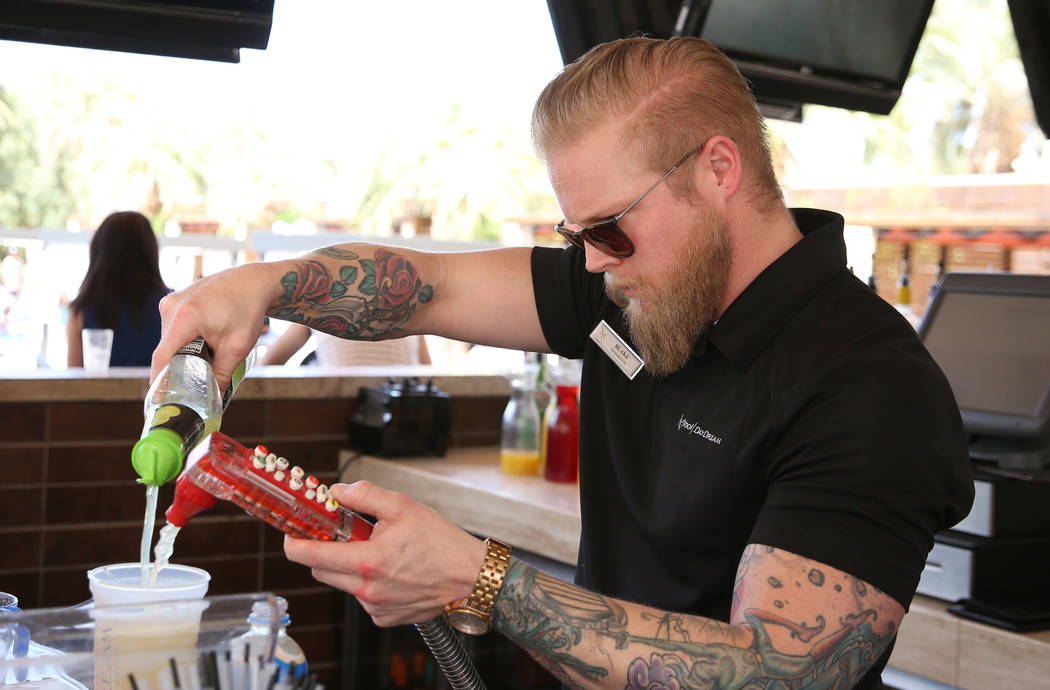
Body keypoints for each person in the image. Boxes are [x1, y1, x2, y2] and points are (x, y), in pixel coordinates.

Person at [151, 37, 973, 689]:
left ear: (719, 169)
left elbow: (774, 671)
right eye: (575, 235)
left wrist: (479, 578)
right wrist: (261, 287)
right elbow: (426, 287)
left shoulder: (873, 388)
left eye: (608, 229)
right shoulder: (634, 286)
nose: (587, 263)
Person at [68, 211, 171, 368]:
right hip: (156, 392)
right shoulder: (172, 307)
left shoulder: (80, 311)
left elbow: (74, 382)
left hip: (99, 393)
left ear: (98, 251)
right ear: (150, 251)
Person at [260, 321, 431, 367]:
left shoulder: (319, 299)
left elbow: (270, 362)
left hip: (341, 406)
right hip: (405, 408)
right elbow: (427, 370)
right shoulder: (409, 303)